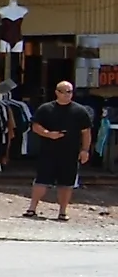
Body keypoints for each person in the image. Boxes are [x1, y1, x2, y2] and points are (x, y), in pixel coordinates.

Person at [24, 80, 91, 221]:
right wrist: (48, 134)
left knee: (66, 184)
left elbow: (86, 132)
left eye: (70, 92)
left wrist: (85, 150)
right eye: (64, 91)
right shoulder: (46, 108)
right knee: (41, 181)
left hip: (70, 153)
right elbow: (35, 126)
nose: (67, 94)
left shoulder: (80, 111)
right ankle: (32, 208)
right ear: (56, 92)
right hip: (48, 151)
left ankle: (62, 211)